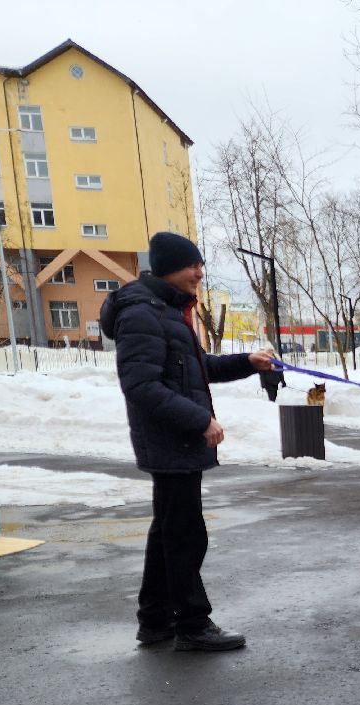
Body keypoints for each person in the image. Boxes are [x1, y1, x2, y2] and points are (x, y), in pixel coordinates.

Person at [101, 231, 276, 652]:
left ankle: (156, 619)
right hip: (171, 440)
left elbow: (197, 369)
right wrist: (199, 420)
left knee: (168, 531)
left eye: (200, 264)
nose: (199, 272)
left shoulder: (165, 310)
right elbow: (141, 385)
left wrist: (248, 362)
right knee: (184, 534)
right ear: (167, 269)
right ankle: (193, 623)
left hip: (174, 441)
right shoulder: (143, 314)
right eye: (191, 265)